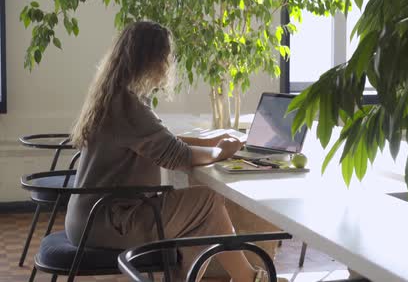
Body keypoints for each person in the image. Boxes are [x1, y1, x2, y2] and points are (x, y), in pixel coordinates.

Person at [66, 21, 275, 282]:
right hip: (109, 222)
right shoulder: (128, 107)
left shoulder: (116, 97)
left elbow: (160, 140)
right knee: (207, 202)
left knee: (201, 214)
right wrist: (222, 150)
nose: (168, 64)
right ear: (151, 60)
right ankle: (249, 278)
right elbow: (178, 156)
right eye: (165, 57)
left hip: (91, 218)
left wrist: (213, 143)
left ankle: (243, 278)